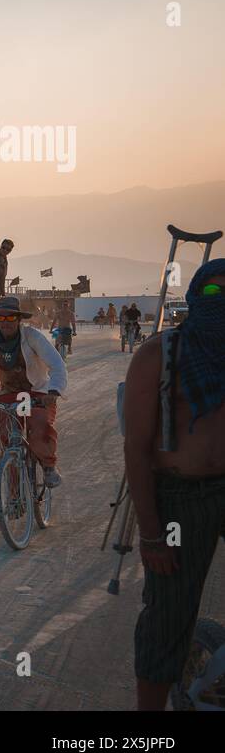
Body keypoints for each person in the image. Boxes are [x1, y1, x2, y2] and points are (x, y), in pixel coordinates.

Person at [125, 260, 225, 710]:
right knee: (168, 616)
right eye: (211, 294)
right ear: (194, 297)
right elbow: (137, 449)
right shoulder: (159, 355)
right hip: (181, 500)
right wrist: (150, 533)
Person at [0, 296, 68, 489]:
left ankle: (48, 467)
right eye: (1, 319)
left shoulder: (33, 337)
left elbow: (57, 366)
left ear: (19, 319)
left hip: (38, 393)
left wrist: (53, 391)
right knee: (7, 438)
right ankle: (13, 495)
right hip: (9, 394)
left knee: (40, 428)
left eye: (10, 318)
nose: (5, 323)